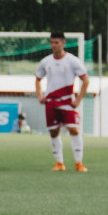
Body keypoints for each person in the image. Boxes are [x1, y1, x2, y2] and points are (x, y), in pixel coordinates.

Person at [35, 31, 89, 172]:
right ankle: (59, 163)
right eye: (52, 42)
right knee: (53, 132)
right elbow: (38, 78)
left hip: (67, 101)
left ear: (63, 43)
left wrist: (78, 99)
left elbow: (85, 80)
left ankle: (79, 163)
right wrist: (40, 95)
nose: (54, 45)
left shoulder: (72, 60)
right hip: (51, 102)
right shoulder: (46, 61)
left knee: (73, 129)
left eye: (56, 42)